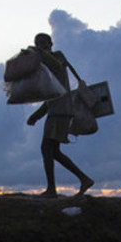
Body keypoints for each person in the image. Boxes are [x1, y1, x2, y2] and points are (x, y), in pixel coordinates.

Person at [25, 33, 95, 198]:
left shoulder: (58, 57)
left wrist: (38, 53)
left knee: (46, 148)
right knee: (53, 151)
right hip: (57, 110)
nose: (41, 45)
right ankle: (83, 179)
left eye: (43, 43)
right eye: (37, 43)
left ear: (51, 43)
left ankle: (52, 189)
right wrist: (37, 115)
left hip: (60, 111)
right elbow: (50, 96)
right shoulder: (45, 67)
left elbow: (56, 89)